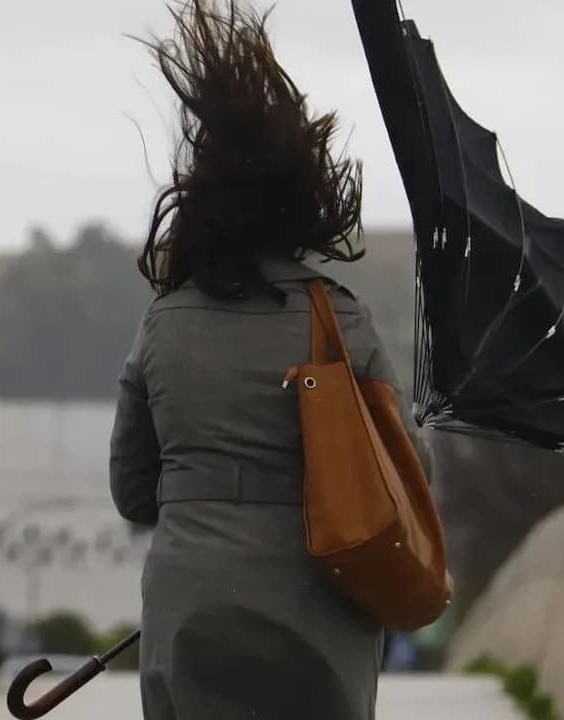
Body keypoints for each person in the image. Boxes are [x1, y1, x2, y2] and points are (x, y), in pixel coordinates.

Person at [108, 2, 433, 718]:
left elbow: (133, 491)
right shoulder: (338, 317)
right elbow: (407, 476)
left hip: (192, 608)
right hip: (318, 610)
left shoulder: (163, 323)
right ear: (304, 203)